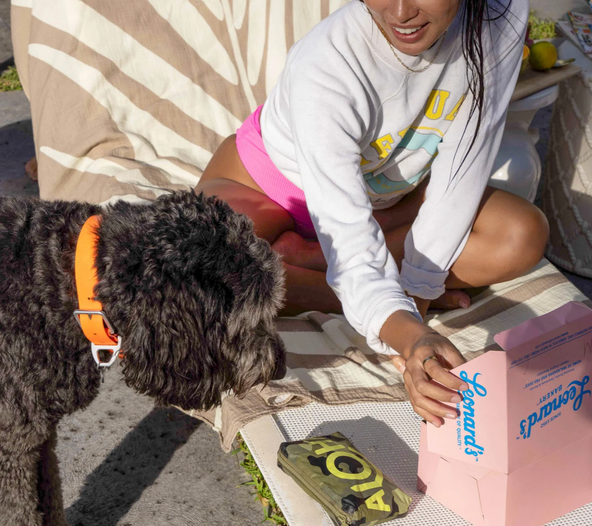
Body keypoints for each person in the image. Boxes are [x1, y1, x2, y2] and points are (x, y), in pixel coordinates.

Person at [194, 0, 548, 428]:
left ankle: (303, 276)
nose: (400, 13)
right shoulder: (326, 63)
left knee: (520, 234)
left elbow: (463, 167)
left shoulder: (500, 18)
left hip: (386, 202)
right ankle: (339, 287)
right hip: (264, 186)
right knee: (201, 273)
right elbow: (346, 233)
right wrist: (408, 331)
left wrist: (417, 290)